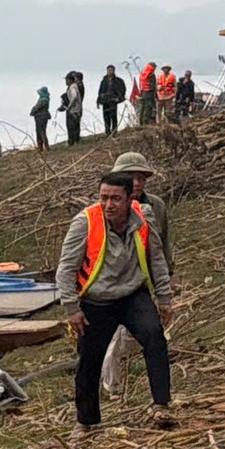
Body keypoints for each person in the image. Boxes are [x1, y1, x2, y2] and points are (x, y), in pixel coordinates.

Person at [56, 173, 176, 432]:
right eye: (104, 198)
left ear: (129, 198)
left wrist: (164, 299)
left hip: (133, 295)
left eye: (115, 199)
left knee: (155, 336)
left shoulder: (143, 218)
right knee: (89, 358)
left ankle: (161, 405)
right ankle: (86, 422)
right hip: (96, 301)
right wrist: (71, 309)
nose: (109, 205)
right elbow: (65, 269)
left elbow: (157, 260)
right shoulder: (85, 223)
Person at [97, 64, 127, 136]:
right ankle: (107, 132)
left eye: (111, 70)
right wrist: (98, 101)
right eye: (108, 70)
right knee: (106, 117)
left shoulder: (118, 81)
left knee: (113, 117)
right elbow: (100, 91)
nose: (110, 72)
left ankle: (114, 132)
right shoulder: (104, 81)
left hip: (113, 101)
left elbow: (123, 90)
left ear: (114, 71)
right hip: (105, 101)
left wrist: (119, 98)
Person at [58, 72, 85, 144]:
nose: (65, 82)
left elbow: (74, 96)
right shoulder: (75, 86)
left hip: (74, 110)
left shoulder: (73, 87)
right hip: (76, 109)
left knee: (71, 125)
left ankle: (72, 141)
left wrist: (69, 106)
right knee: (75, 125)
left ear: (70, 80)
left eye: (66, 80)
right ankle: (75, 140)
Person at [136, 62, 159, 126]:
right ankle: (146, 123)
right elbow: (152, 85)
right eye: (155, 67)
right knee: (149, 108)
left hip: (143, 93)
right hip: (149, 93)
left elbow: (141, 85)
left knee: (143, 108)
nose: (155, 68)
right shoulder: (151, 74)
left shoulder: (143, 73)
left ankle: (141, 123)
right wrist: (157, 89)